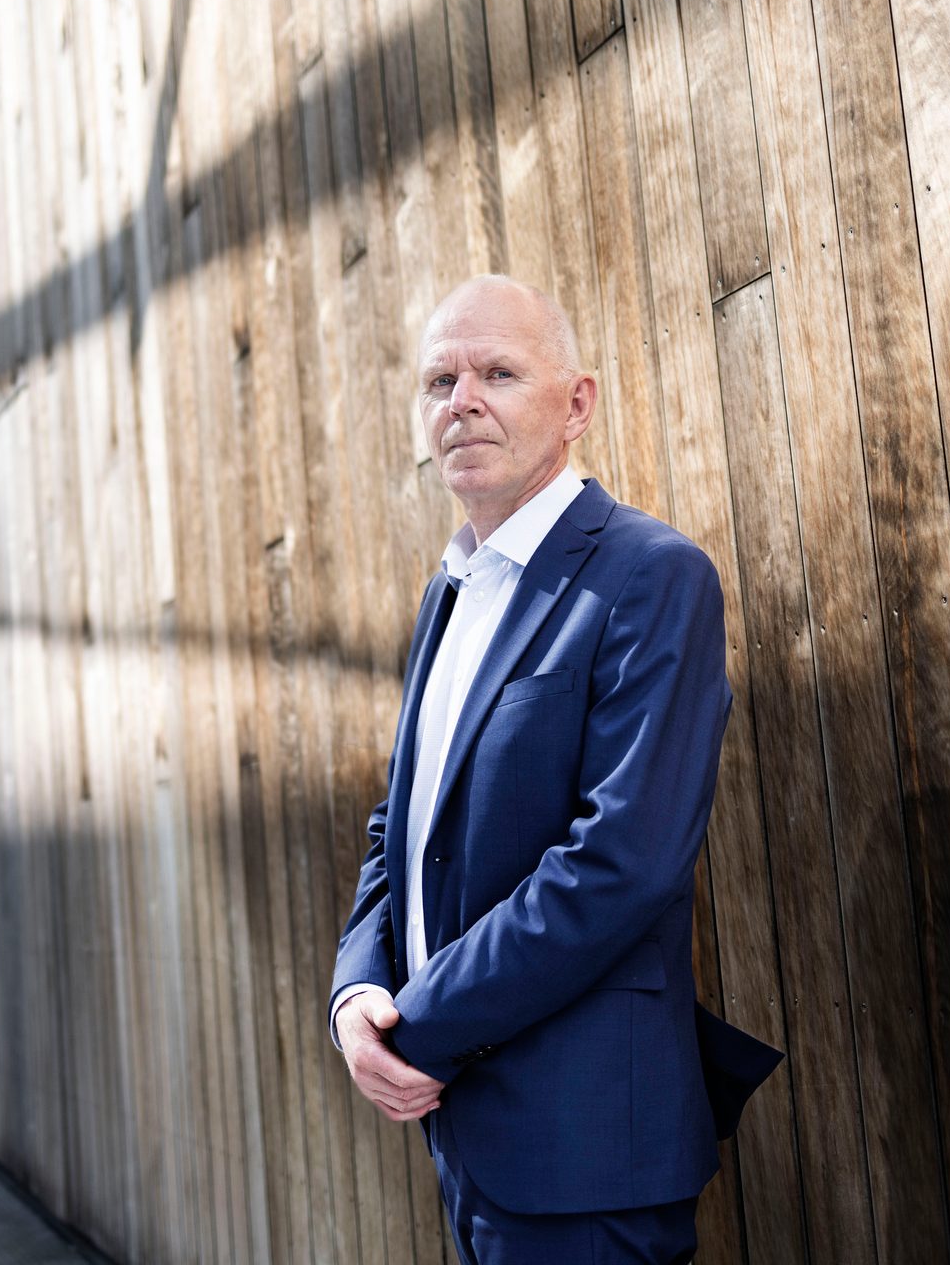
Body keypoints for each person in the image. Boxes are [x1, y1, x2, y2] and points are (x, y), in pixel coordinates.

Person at [329, 276, 783, 1263]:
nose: (464, 400)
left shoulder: (650, 576)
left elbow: (622, 861)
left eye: (498, 371)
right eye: (440, 380)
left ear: (576, 402)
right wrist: (357, 992)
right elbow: (398, 826)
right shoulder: (448, 594)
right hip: (469, 1137)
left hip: (584, 1149)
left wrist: (416, 1026)